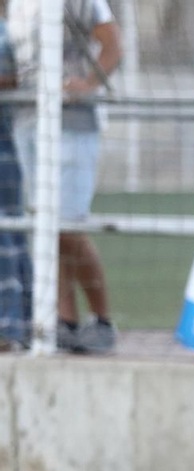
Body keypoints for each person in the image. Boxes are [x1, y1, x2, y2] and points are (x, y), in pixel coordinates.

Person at [2, 0, 119, 354]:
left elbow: (112, 45)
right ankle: (64, 322)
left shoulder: (81, 2)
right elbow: (23, 67)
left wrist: (88, 84)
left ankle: (102, 320)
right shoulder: (17, 5)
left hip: (72, 121)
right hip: (28, 119)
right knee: (46, 224)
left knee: (68, 224)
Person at [0, 16, 31, 353]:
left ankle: (11, 326)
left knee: (8, 232)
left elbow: (17, 78)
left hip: (5, 146)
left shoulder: (6, 33)